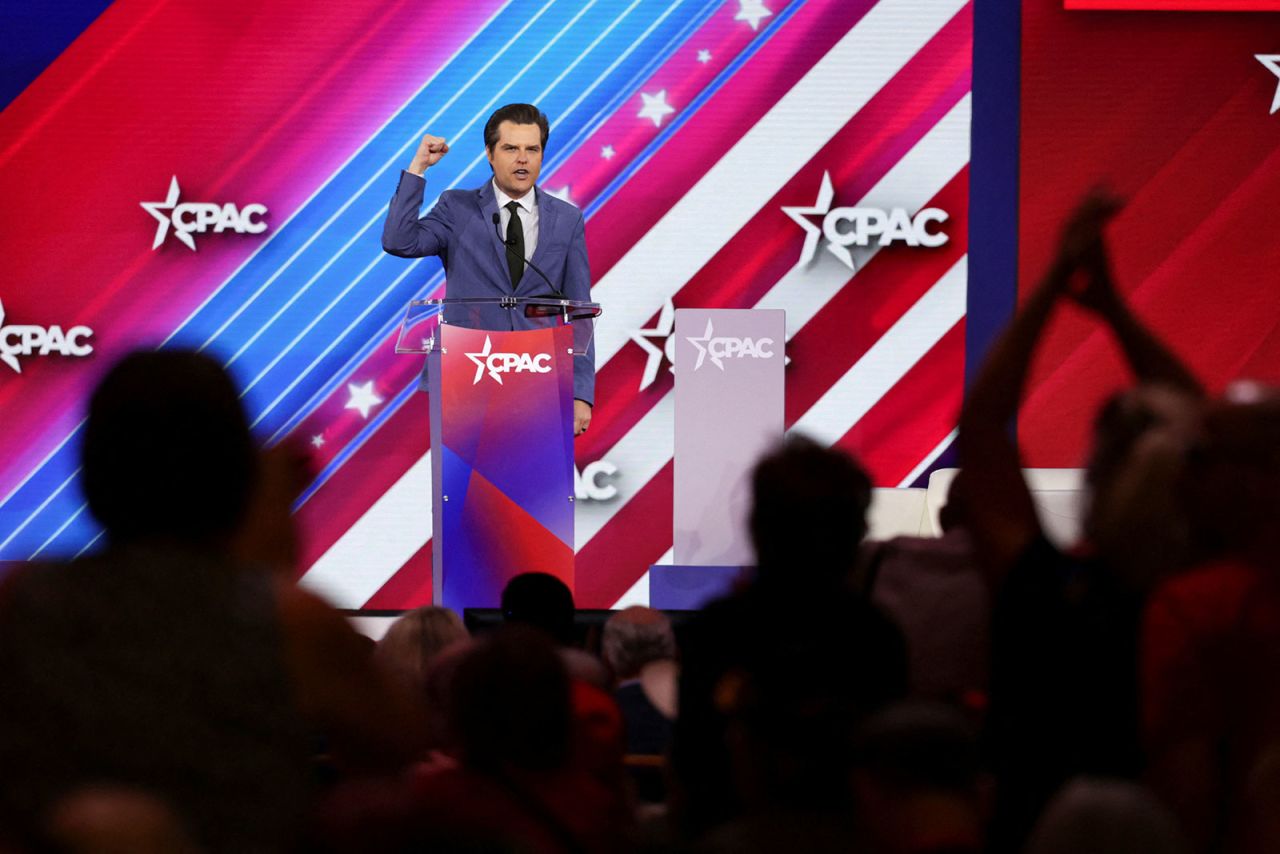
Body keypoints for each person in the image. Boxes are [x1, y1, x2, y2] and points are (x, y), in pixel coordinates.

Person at [0, 351, 426, 852]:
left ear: (94, 464)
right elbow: (405, 751)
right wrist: (269, 539)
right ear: (236, 473)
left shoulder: (22, 603)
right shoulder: (289, 623)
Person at [955, 192, 1204, 852]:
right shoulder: (1200, 596)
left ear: (1093, 479)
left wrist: (1050, 283)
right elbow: (1206, 427)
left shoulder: (1046, 589)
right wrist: (1114, 311)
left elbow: (981, 431)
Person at [382, 102, 595, 435]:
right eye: (510, 148)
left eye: (532, 149)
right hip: (466, 374)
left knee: (533, 486)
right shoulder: (457, 207)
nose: (522, 158)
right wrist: (418, 168)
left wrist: (581, 392)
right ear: (490, 154)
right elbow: (399, 241)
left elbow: (579, 310)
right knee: (468, 488)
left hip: (539, 377)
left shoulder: (567, 219)